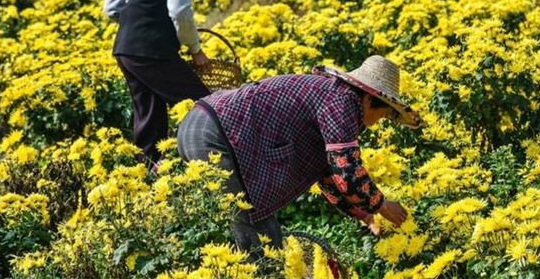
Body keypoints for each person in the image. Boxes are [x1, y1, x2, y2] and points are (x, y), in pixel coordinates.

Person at [177, 55, 423, 258]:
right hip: (213, 134)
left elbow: (330, 176)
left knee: (259, 231)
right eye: (380, 116)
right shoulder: (343, 102)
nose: (375, 124)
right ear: (369, 99)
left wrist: (365, 214)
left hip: (202, 124)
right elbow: (346, 172)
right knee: (254, 241)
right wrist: (382, 205)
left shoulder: (336, 98)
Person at [103, 0, 213, 166]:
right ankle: (212, 167)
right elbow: (180, 9)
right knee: (205, 106)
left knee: (148, 115)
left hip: (125, 49)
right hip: (152, 51)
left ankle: (149, 175)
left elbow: (111, 7)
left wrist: (139, 19)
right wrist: (195, 49)